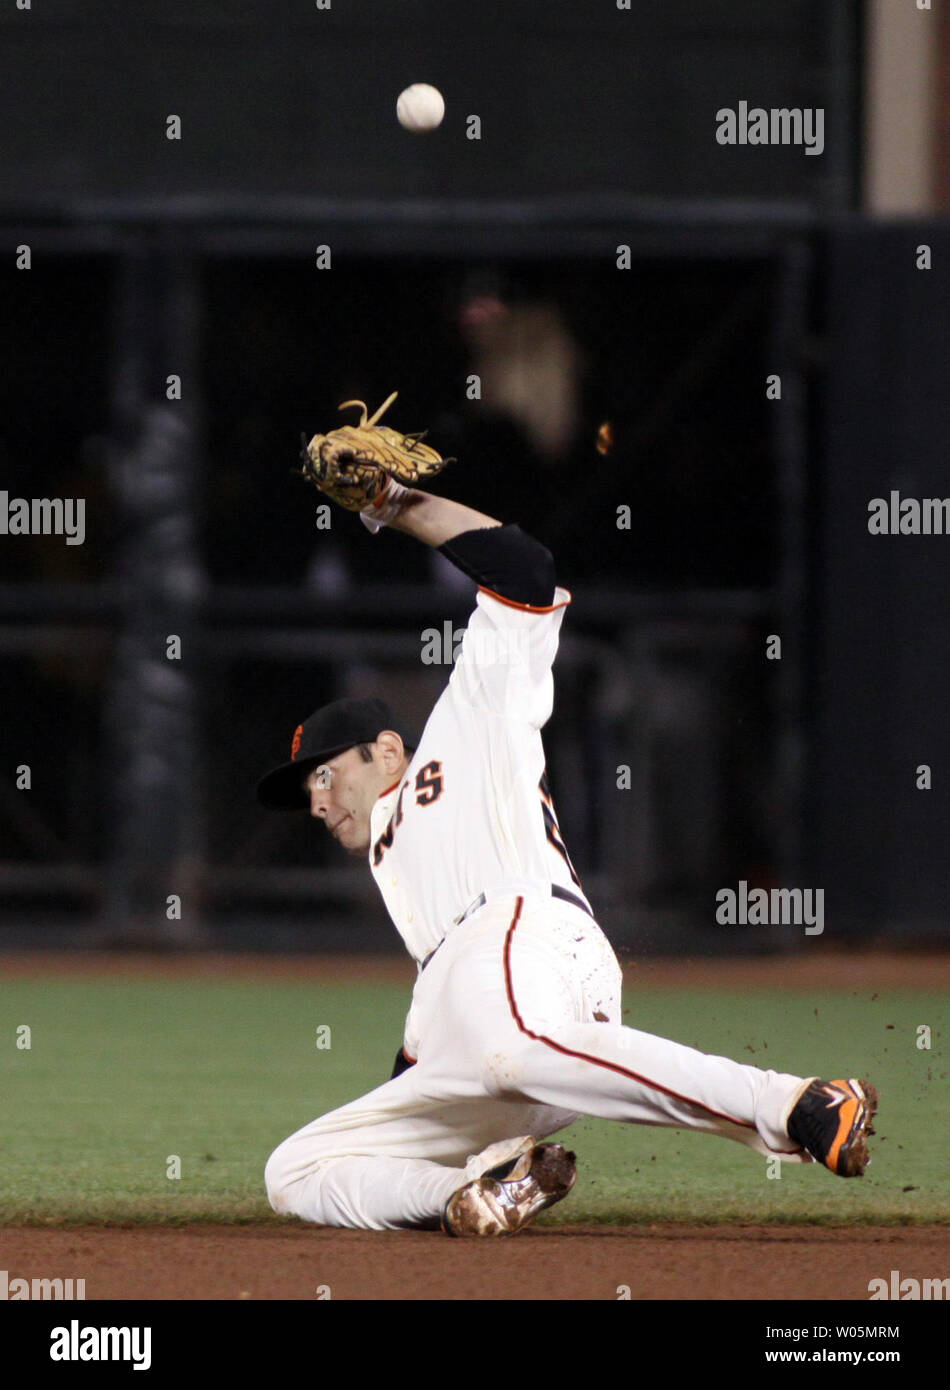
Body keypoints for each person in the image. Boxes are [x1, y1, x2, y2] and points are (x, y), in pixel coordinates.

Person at [257, 480, 878, 1235]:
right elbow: (434, 1033)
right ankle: (473, 1192)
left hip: (528, 939)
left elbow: (523, 569)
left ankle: (799, 1103)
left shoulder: (466, 722)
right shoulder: (396, 866)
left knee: (507, 1054)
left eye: (323, 775)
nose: (317, 801)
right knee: (293, 1168)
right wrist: (418, 1105)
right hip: (475, 1017)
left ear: (386, 749)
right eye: (306, 793)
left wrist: (396, 504)